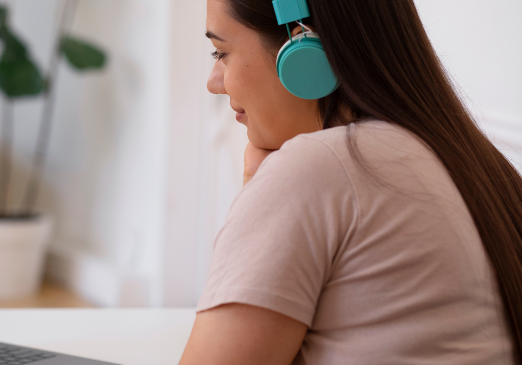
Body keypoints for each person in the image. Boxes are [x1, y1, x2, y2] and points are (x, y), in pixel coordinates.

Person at [180, 0, 521, 364]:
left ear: (301, 50)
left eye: (222, 52)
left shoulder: (320, 169)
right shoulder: (484, 168)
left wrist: (264, 189)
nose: (214, 83)